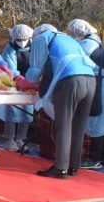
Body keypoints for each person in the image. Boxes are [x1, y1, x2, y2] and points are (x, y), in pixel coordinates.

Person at [24, 24, 96, 179]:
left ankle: (60, 168)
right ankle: (73, 166)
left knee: (64, 124)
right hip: (90, 80)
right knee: (78, 125)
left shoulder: (42, 38)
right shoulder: (68, 38)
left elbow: (35, 71)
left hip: (71, 81)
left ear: (37, 34)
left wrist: (25, 81)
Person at [67, 19, 104, 169]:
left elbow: (75, 61)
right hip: (101, 82)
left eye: (73, 32)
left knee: (96, 118)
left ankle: (95, 158)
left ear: (79, 32)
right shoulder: (93, 41)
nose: (72, 35)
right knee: (102, 119)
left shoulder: (88, 44)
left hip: (99, 84)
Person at [0, 24, 34, 151]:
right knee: (11, 111)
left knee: (27, 111)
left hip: (30, 82)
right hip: (13, 82)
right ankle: (9, 140)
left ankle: (21, 139)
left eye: (24, 39)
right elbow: (10, 67)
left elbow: (37, 64)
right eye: (19, 40)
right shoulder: (10, 48)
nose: (22, 42)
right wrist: (20, 78)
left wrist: (31, 80)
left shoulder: (34, 47)